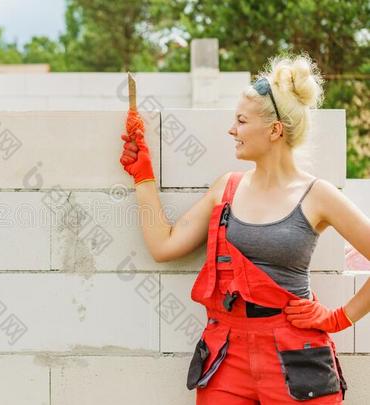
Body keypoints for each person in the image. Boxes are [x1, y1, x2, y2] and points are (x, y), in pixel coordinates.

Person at [119, 52, 370, 404]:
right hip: (227, 356)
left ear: (274, 130)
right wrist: (142, 174)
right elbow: (164, 245)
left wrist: (339, 318)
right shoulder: (227, 189)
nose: (232, 130)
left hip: (295, 357)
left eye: (241, 121)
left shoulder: (318, 195)